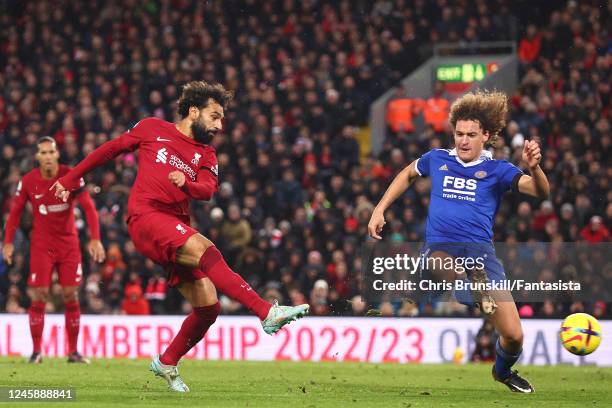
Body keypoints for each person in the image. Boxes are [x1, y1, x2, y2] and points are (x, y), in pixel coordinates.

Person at [50, 81, 309, 392]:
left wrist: (186, 184)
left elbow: (207, 191)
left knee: (209, 306)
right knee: (206, 248)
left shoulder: (206, 154)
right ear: (194, 111)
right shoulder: (151, 128)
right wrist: (71, 176)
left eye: (222, 118)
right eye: (215, 116)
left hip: (173, 226)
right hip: (146, 217)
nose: (220, 125)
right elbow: (111, 149)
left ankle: (167, 361)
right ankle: (266, 312)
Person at [368, 90, 549, 393]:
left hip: (481, 254)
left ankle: (502, 371)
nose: (463, 140)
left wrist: (534, 167)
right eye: (459, 134)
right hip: (441, 248)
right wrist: (379, 208)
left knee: (514, 335)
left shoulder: (498, 169)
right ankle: (470, 287)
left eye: (471, 135)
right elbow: (407, 175)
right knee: (444, 264)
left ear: (486, 136)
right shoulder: (437, 159)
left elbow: (540, 192)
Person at [3, 136, 105, 364]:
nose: (48, 157)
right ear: (38, 156)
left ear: (57, 154)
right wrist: (8, 242)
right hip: (42, 246)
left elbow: (89, 208)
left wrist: (95, 238)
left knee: (71, 294)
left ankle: (73, 352)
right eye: (43, 153)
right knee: (39, 295)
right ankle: (37, 352)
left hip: (68, 245)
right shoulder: (28, 181)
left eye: (51, 152)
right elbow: (15, 213)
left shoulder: (71, 176)